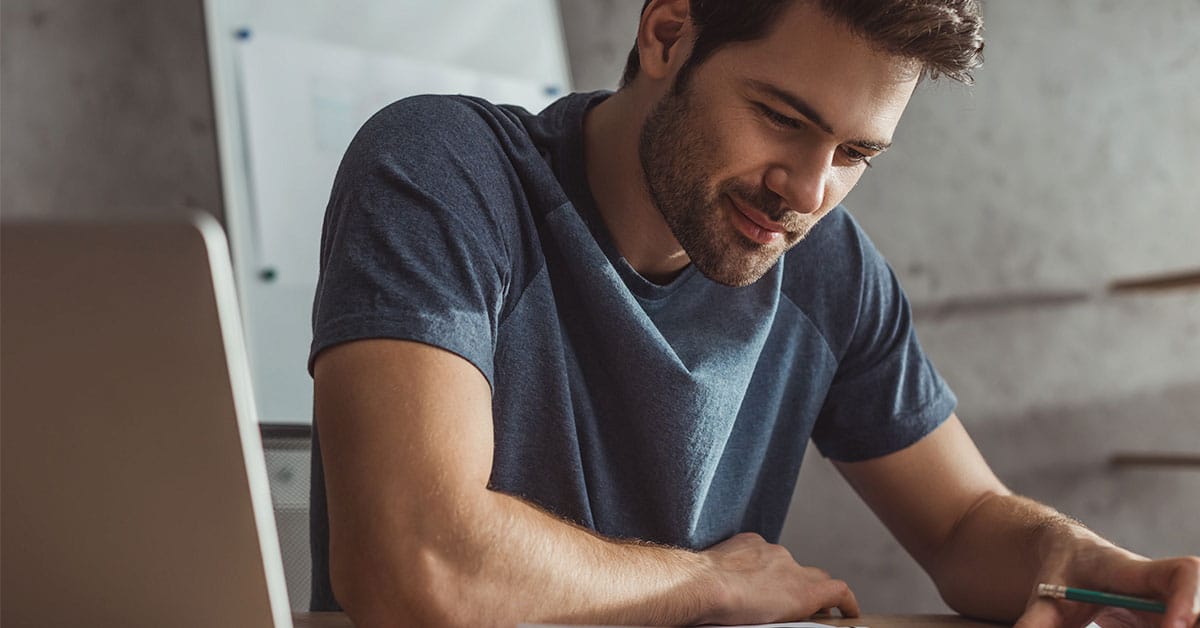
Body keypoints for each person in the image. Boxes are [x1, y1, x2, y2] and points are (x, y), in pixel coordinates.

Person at [307, 0, 1200, 626]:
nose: (807, 193)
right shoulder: (445, 171)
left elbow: (964, 525)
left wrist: (1073, 564)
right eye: (781, 117)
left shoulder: (830, 270)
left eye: (855, 152)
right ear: (667, 32)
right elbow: (415, 567)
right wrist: (711, 584)